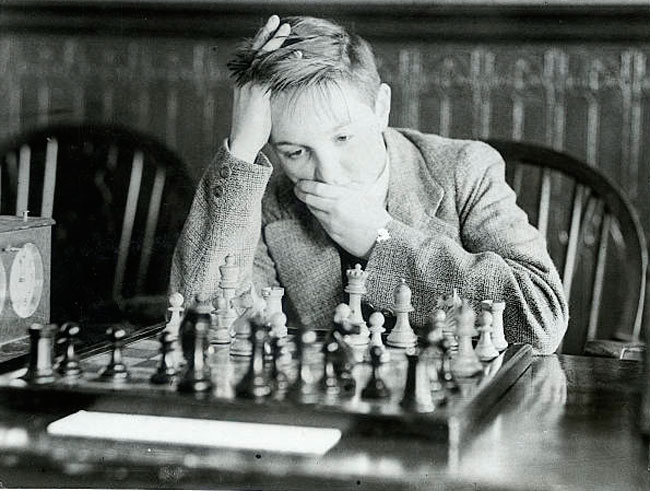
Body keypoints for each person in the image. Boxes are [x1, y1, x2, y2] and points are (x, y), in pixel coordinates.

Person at [170, 14, 568, 355]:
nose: (328, 173)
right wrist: (242, 148)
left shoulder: (465, 168)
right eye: (294, 152)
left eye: (342, 139)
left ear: (381, 107)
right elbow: (200, 321)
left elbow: (539, 320)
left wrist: (381, 241)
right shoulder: (269, 198)